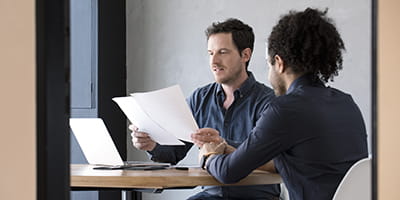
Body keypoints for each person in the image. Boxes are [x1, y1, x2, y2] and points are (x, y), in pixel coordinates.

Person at [198, 8, 368, 200]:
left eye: (269, 64)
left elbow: (228, 172)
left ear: (279, 63)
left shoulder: (285, 109)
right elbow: (285, 157)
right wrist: (226, 145)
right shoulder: (346, 103)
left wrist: (208, 156)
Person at [130, 18, 281, 199]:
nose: (214, 61)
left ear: (245, 55)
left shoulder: (269, 102)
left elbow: (270, 157)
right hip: (210, 195)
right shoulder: (200, 99)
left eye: (222, 52)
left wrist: (222, 145)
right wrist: (151, 144)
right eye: (210, 53)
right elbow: (173, 153)